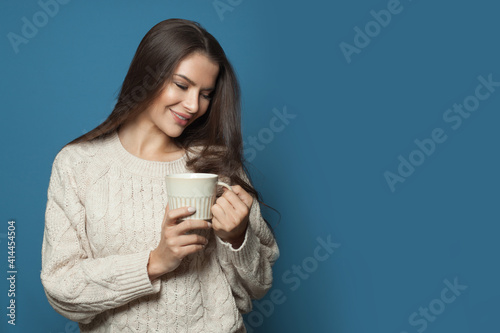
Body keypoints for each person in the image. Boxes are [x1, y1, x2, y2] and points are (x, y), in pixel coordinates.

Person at [40, 18, 279, 333]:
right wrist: (154, 262)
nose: (194, 105)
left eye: (206, 94)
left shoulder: (215, 165)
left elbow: (258, 286)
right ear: (147, 74)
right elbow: (61, 287)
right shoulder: (78, 165)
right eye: (182, 85)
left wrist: (238, 239)